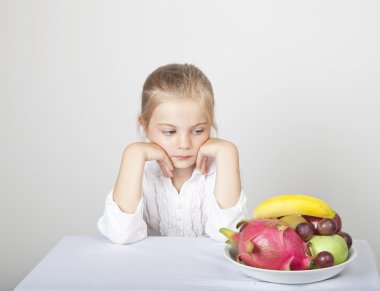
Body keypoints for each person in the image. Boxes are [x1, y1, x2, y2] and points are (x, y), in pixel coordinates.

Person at [97, 63, 248, 244]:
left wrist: (228, 153)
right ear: (144, 125)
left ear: (210, 125)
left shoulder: (220, 169)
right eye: (170, 132)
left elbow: (228, 236)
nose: (184, 144)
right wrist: (133, 154)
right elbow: (120, 234)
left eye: (198, 131)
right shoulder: (141, 170)